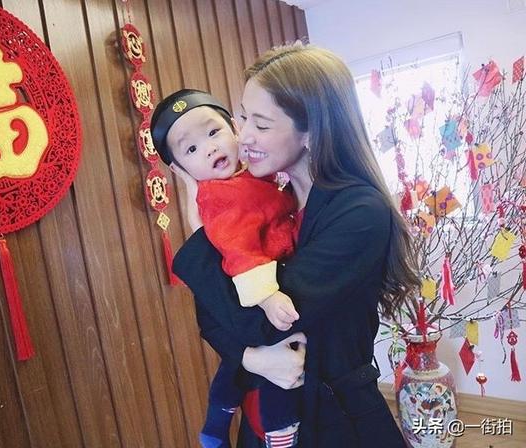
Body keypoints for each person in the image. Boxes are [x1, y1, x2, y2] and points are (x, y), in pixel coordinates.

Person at [172, 43, 421, 447]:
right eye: (242, 117)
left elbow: (258, 322)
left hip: (338, 424)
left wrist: (201, 233)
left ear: (311, 130)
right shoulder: (274, 202)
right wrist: (252, 358)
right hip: (262, 424)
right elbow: (213, 318)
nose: (243, 136)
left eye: (261, 124)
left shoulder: (360, 212)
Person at [150, 89, 303, 448]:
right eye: (191, 149)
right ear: (180, 170)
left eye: (213, 132)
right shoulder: (219, 197)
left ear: (235, 128)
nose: (209, 148)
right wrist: (266, 296)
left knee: (245, 371)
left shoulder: (255, 176)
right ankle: (270, 427)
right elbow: (238, 254)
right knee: (269, 374)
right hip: (261, 297)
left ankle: (218, 421)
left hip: (272, 321)